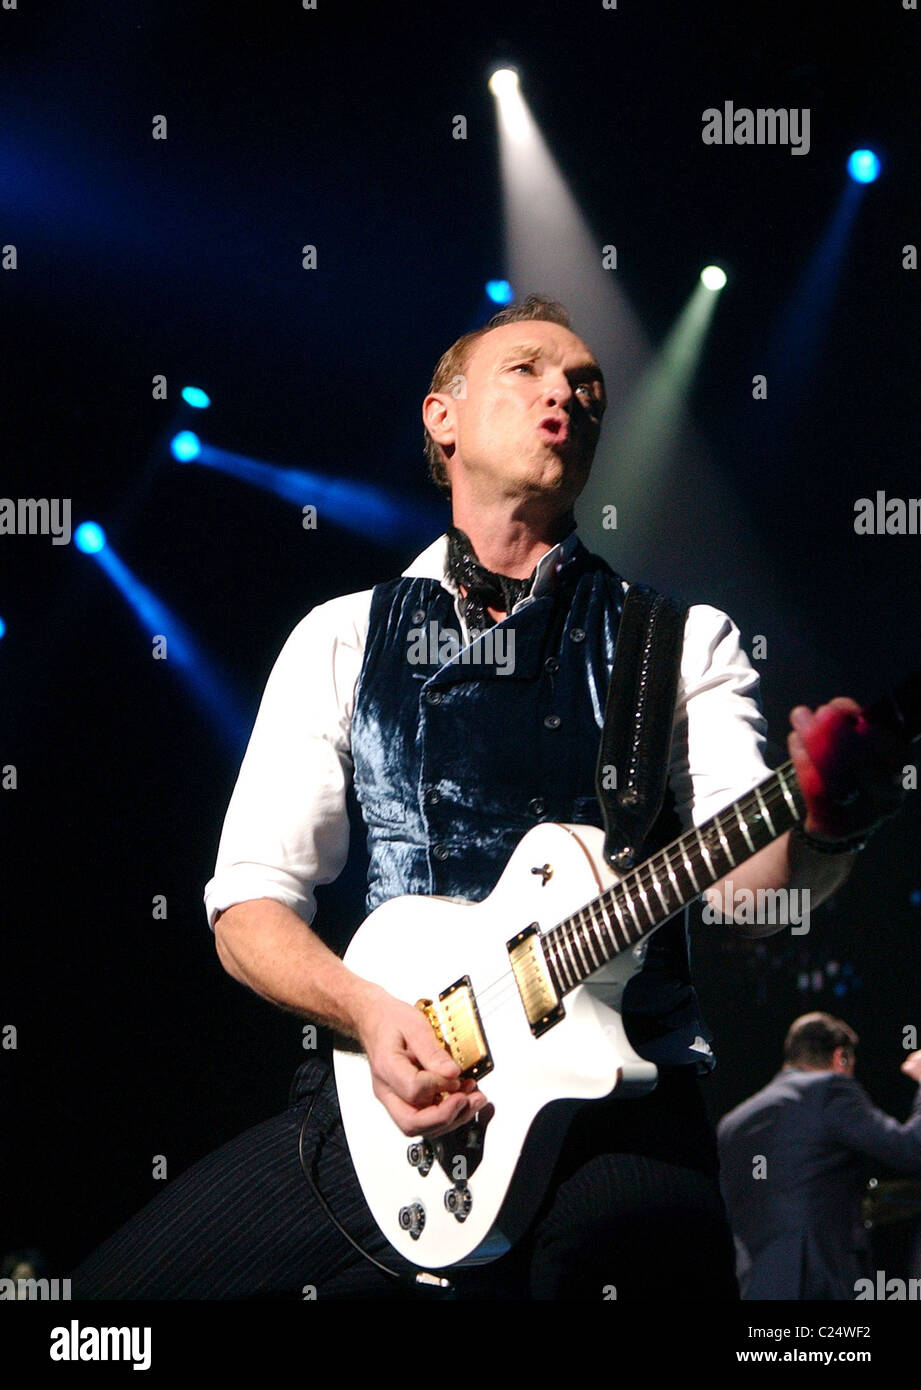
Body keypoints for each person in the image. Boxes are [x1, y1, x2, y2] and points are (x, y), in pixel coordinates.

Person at [71, 296, 906, 1300]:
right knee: (102, 1308)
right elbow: (248, 908)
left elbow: (748, 891)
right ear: (443, 417)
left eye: (589, 387)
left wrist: (823, 821)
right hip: (382, 1110)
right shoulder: (340, 637)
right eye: (529, 370)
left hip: (617, 1117)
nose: (567, 392)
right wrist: (370, 1016)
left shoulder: (680, 642)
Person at [718, 1012, 921, 1300]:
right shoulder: (829, 1089)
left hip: (753, 1283)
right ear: (841, 1058)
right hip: (819, 1278)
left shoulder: (733, 1122)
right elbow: (910, 1150)